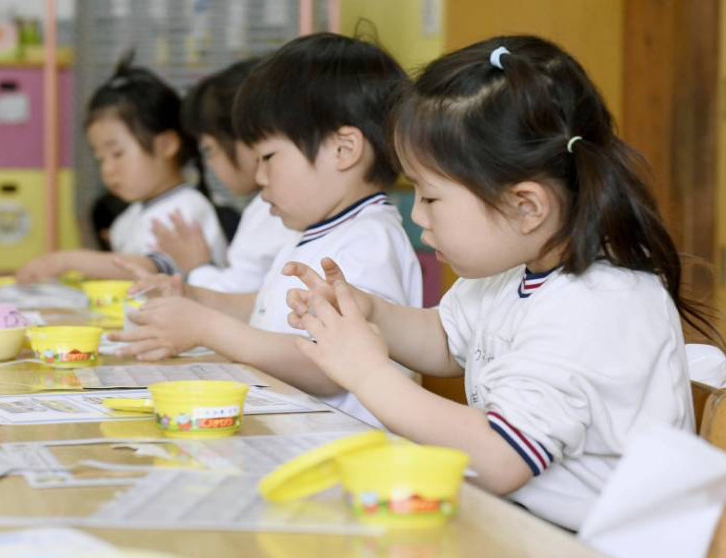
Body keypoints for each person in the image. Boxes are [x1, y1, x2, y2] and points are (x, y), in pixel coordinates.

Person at [284, 35, 719, 530]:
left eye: (430, 197)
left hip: (590, 543)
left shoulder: (599, 304)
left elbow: (498, 459)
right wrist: (369, 313)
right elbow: (446, 341)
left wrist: (366, 374)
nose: (419, 218)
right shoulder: (512, 269)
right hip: (521, 524)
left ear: (525, 206)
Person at [110, 33, 422, 427]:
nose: (259, 176)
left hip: (342, 449)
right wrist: (195, 296)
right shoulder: (318, 230)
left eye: (269, 157)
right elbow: (268, 306)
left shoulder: (368, 242)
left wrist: (205, 327)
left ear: (343, 150)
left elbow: (326, 366)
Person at [15, 55, 228, 283]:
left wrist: (66, 261)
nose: (107, 169)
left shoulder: (184, 209)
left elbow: (151, 269)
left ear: (166, 145)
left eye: (117, 154)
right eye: (100, 159)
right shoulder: (132, 215)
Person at [145, 57, 298, 293]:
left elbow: (240, 299)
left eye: (210, 149)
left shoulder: (276, 208)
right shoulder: (272, 204)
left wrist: (197, 267)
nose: (211, 163)